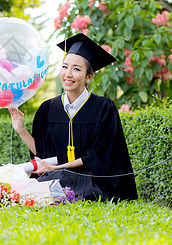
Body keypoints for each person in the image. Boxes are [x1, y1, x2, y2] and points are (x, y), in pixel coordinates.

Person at [9, 33, 137, 201]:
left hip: (92, 180)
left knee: (84, 193)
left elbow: (100, 156)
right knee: (33, 192)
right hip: (56, 178)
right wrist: (20, 129)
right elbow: (43, 154)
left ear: (88, 77)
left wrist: (60, 168)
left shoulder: (103, 108)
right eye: (65, 67)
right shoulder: (47, 109)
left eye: (76, 69)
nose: (68, 74)